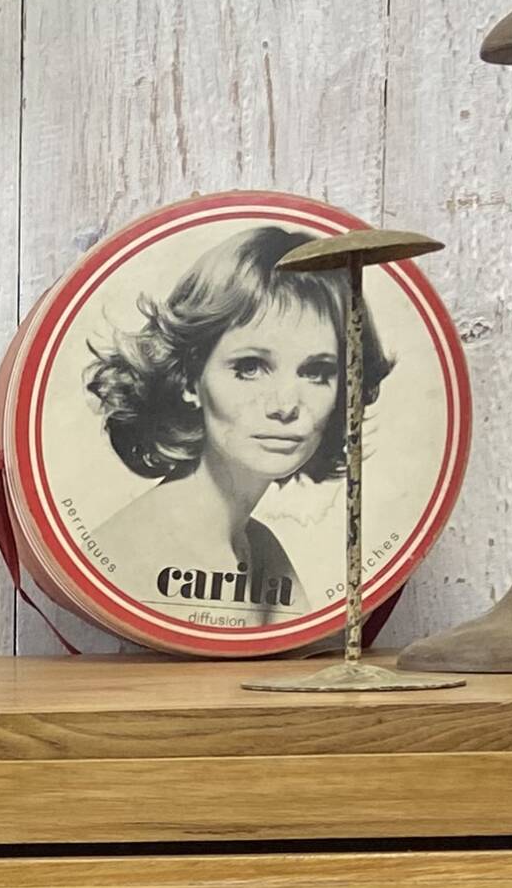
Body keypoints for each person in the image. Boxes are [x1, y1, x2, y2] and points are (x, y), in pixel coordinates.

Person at [77, 221, 392, 629]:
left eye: (316, 372)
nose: (285, 406)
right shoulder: (139, 549)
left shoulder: (260, 549)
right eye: (250, 367)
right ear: (190, 378)